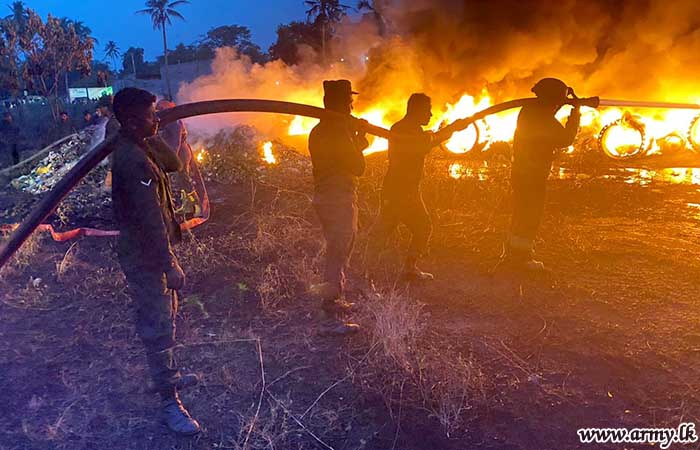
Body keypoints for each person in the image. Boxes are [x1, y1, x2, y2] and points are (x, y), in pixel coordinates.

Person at [110, 87, 200, 435]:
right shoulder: (132, 160)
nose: (158, 119)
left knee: (168, 316)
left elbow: (175, 163)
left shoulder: (139, 146)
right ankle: (168, 401)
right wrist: (169, 265)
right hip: (147, 257)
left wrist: (156, 131)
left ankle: (170, 376)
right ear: (132, 121)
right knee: (158, 327)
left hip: (152, 253)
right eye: (151, 115)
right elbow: (150, 220)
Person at [373, 94, 468, 281]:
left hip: (402, 188)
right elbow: (424, 143)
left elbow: (428, 140)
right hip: (401, 190)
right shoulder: (403, 130)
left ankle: (371, 266)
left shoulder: (408, 129)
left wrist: (448, 131)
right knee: (419, 227)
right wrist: (452, 129)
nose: (431, 114)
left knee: (387, 228)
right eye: (427, 110)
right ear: (416, 110)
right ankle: (401, 268)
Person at [498, 78, 582, 272]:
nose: (557, 106)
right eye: (557, 102)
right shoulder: (543, 120)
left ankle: (511, 254)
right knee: (530, 216)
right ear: (551, 100)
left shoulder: (529, 111)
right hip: (533, 175)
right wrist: (575, 112)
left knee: (520, 214)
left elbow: (549, 114)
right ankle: (521, 259)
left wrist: (565, 105)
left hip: (521, 172)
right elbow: (566, 138)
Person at [308, 79, 369, 334]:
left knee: (339, 250)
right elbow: (358, 166)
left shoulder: (319, 130)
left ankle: (334, 300)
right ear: (343, 104)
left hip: (327, 197)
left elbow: (345, 158)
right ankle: (328, 316)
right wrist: (360, 136)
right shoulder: (337, 132)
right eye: (350, 101)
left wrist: (355, 136)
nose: (353, 106)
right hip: (338, 198)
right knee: (337, 252)